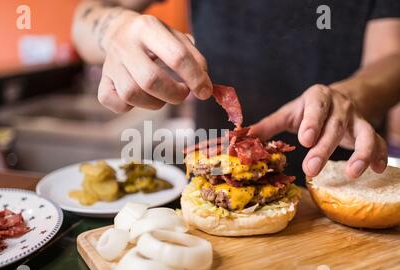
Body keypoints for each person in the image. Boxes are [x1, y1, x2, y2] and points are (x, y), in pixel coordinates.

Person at [71, 0, 400, 180]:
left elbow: (392, 56)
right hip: (214, 173)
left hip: (340, 179)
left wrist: (349, 95)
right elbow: (86, 17)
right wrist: (114, 29)